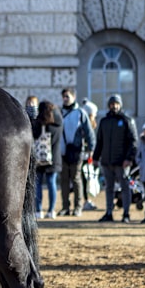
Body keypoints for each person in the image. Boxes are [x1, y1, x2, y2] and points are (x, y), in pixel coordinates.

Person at [92, 94, 137, 223]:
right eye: (112, 104)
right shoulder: (104, 121)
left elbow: (133, 142)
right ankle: (109, 212)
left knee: (125, 187)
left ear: (120, 105)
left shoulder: (127, 120)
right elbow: (99, 141)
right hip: (107, 161)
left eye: (116, 104)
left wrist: (129, 158)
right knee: (109, 188)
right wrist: (96, 157)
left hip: (122, 162)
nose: (114, 106)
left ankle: (126, 213)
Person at [59, 88, 95, 216]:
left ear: (73, 97)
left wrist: (91, 148)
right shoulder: (59, 112)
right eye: (63, 96)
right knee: (64, 180)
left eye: (67, 96)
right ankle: (65, 207)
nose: (65, 99)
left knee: (76, 179)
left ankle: (78, 207)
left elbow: (89, 133)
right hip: (62, 151)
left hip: (77, 151)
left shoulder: (80, 113)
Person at [31, 100, 63, 219]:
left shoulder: (37, 125)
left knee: (38, 184)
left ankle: (39, 210)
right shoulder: (57, 125)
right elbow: (59, 118)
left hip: (39, 158)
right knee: (52, 184)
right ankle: (51, 210)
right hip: (54, 158)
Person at [79, 98, 100, 211]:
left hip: (88, 155)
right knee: (85, 178)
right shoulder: (85, 125)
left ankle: (87, 199)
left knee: (87, 178)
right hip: (85, 155)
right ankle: (86, 200)